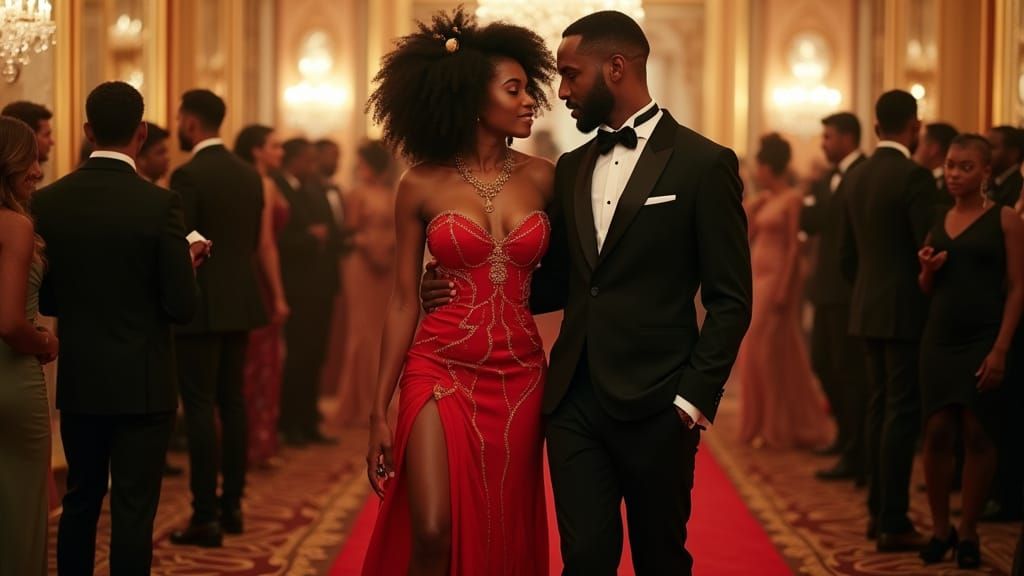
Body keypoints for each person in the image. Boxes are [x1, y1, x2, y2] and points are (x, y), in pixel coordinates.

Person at [423, 11, 753, 574]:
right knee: (585, 559)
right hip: (573, 399)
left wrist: (691, 401)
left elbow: (731, 298)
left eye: (571, 75)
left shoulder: (704, 164)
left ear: (616, 68)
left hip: (660, 403)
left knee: (661, 560)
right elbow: (553, 279)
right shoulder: (571, 168)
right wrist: (463, 280)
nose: (562, 91)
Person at [362, 9, 556, 574]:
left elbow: (580, 276)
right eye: (514, 89)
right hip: (438, 365)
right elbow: (402, 298)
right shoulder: (418, 182)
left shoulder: (547, 177)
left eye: (529, 89)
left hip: (520, 372)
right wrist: (378, 408)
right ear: (473, 98)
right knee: (430, 529)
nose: (529, 102)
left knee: (505, 523)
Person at [32, 81, 202, 576]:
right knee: (133, 508)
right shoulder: (158, 205)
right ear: (142, 133)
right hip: (144, 382)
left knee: (81, 500)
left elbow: (47, 298)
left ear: (87, 131)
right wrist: (188, 264)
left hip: (83, 377)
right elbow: (181, 305)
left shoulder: (52, 201)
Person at [917, 134, 1024, 569]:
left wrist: (1001, 348)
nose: (954, 174)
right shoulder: (938, 217)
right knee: (938, 432)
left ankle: (969, 531)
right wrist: (926, 269)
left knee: (977, 432)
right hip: (939, 339)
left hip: (984, 337)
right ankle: (941, 529)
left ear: (985, 172)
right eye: (950, 165)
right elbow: (925, 288)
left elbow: (1019, 287)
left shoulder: (1005, 219)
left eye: (965, 167)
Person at [840, 89, 940, 551]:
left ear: (876, 126)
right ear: (914, 125)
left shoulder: (856, 176)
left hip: (865, 306)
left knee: (879, 408)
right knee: (900, 414)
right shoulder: (915, 176)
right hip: (904, 310)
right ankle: (893, 520)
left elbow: (845, 257)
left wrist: (864, 290)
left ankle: (876, 513)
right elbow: (931, 246)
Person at [170, 89, 267, 547]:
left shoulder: (188, 174)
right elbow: (248, 239)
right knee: (234, 402)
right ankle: (233, 507)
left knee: (201, 408)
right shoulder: (250, 175)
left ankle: (204, 514)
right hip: (241, 298)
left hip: (203, 302)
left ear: (190, 122)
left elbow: (183, 240)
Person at [738, 133, 830, 450]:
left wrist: (784, 289)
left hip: (777, 278)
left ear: (768, 167)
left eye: (758, 166)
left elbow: (794, 247)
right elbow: (744, 234)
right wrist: (753, 206)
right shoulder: (765, 199)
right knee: (758, 352)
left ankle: (775, 427)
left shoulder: (792, 198)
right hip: (756, 276)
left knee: (763, 353)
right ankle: (759, 423)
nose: (755, 172)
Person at [0, 116, 57, 576]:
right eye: (31, 160)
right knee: (21, 513)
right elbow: (9, 322)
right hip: (11, 380)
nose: (37, 171)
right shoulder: (14, 226)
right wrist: (44, 340)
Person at [801, 112, 869, 481]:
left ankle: (857, 450)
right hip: (826, 288)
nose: (823, 144)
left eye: (828, 137)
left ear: (847, 138)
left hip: (849, 290)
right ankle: (846, 438)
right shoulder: (827, 178)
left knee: (850, 373)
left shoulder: (863, 174)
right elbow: (809, 221)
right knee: (824, 364)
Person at [275, 138, 343, 445]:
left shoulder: (309, 189)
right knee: (299, 358)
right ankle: (292, 423)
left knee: (315, 356)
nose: (311, 166)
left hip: (320, 286)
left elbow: (331, 234)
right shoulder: (282, 188)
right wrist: (310, 236)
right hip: (298, 287)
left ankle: (308, 419)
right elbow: (277, 240)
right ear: (295, 160)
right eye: (307, 160)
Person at [233, 124, 291, 468]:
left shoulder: (248, 181)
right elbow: (266, 244)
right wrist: (280, 295)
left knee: (249, 364)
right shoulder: (263, 184)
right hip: (261, 280)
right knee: (261, 365)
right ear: (256, 150)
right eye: (275, 146)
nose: (280, 152)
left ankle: (246, 443)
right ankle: (256, 444)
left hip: (247, 277)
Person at [336, 140, 396, 426]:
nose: (359, 169)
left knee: (382, 331)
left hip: (388, 266)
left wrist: (386, 249)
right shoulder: (355, 195)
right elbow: (349, 233)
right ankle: (357, 403)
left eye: (361, 163)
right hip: (360, 265)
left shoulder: (393, 193)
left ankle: (380, 399)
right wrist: (371, 246)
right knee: (361, 333)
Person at [914, 122, 958, 204]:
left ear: (933, 148)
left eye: (918, 143)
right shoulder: (917, 178)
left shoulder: (953, 183)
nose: (914, 150)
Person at [987, 126, 1023, 208]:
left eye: (991, 147)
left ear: (1013, 153)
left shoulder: (1017, 190)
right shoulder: (990, 183)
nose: (985, 152)